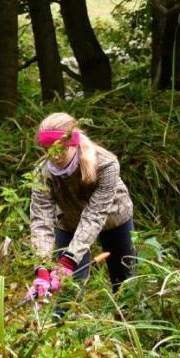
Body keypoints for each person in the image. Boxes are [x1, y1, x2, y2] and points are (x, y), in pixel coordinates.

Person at [27, 112, 136, 303]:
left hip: (113, 219)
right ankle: (59, 328)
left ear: (73, 141)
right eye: (49, 149)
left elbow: (95, 215)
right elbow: (41, 222)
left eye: (61, 148)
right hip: (69, 223)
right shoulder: (42, 173)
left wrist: (69, 260)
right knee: (67, 289)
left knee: (124, 283)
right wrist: (42, 268)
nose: (56, 156)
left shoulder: (106, 165)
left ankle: (127, 327)